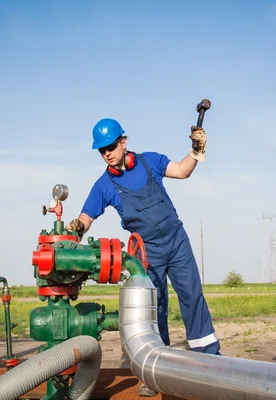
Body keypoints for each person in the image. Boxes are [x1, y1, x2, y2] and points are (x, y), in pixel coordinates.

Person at [65, 117, 220, 355]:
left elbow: (182, 170)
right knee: (154, 307)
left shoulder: (150, 161)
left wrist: (196, 152)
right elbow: (86, 218)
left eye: (111, 146)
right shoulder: (104, 185)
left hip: (176, 240)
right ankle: (158, 361)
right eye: (102, 150)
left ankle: (209, 355)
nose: (107, 153)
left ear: (123, 142)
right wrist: (76, 227)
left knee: (192, 294)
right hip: (146, 251)